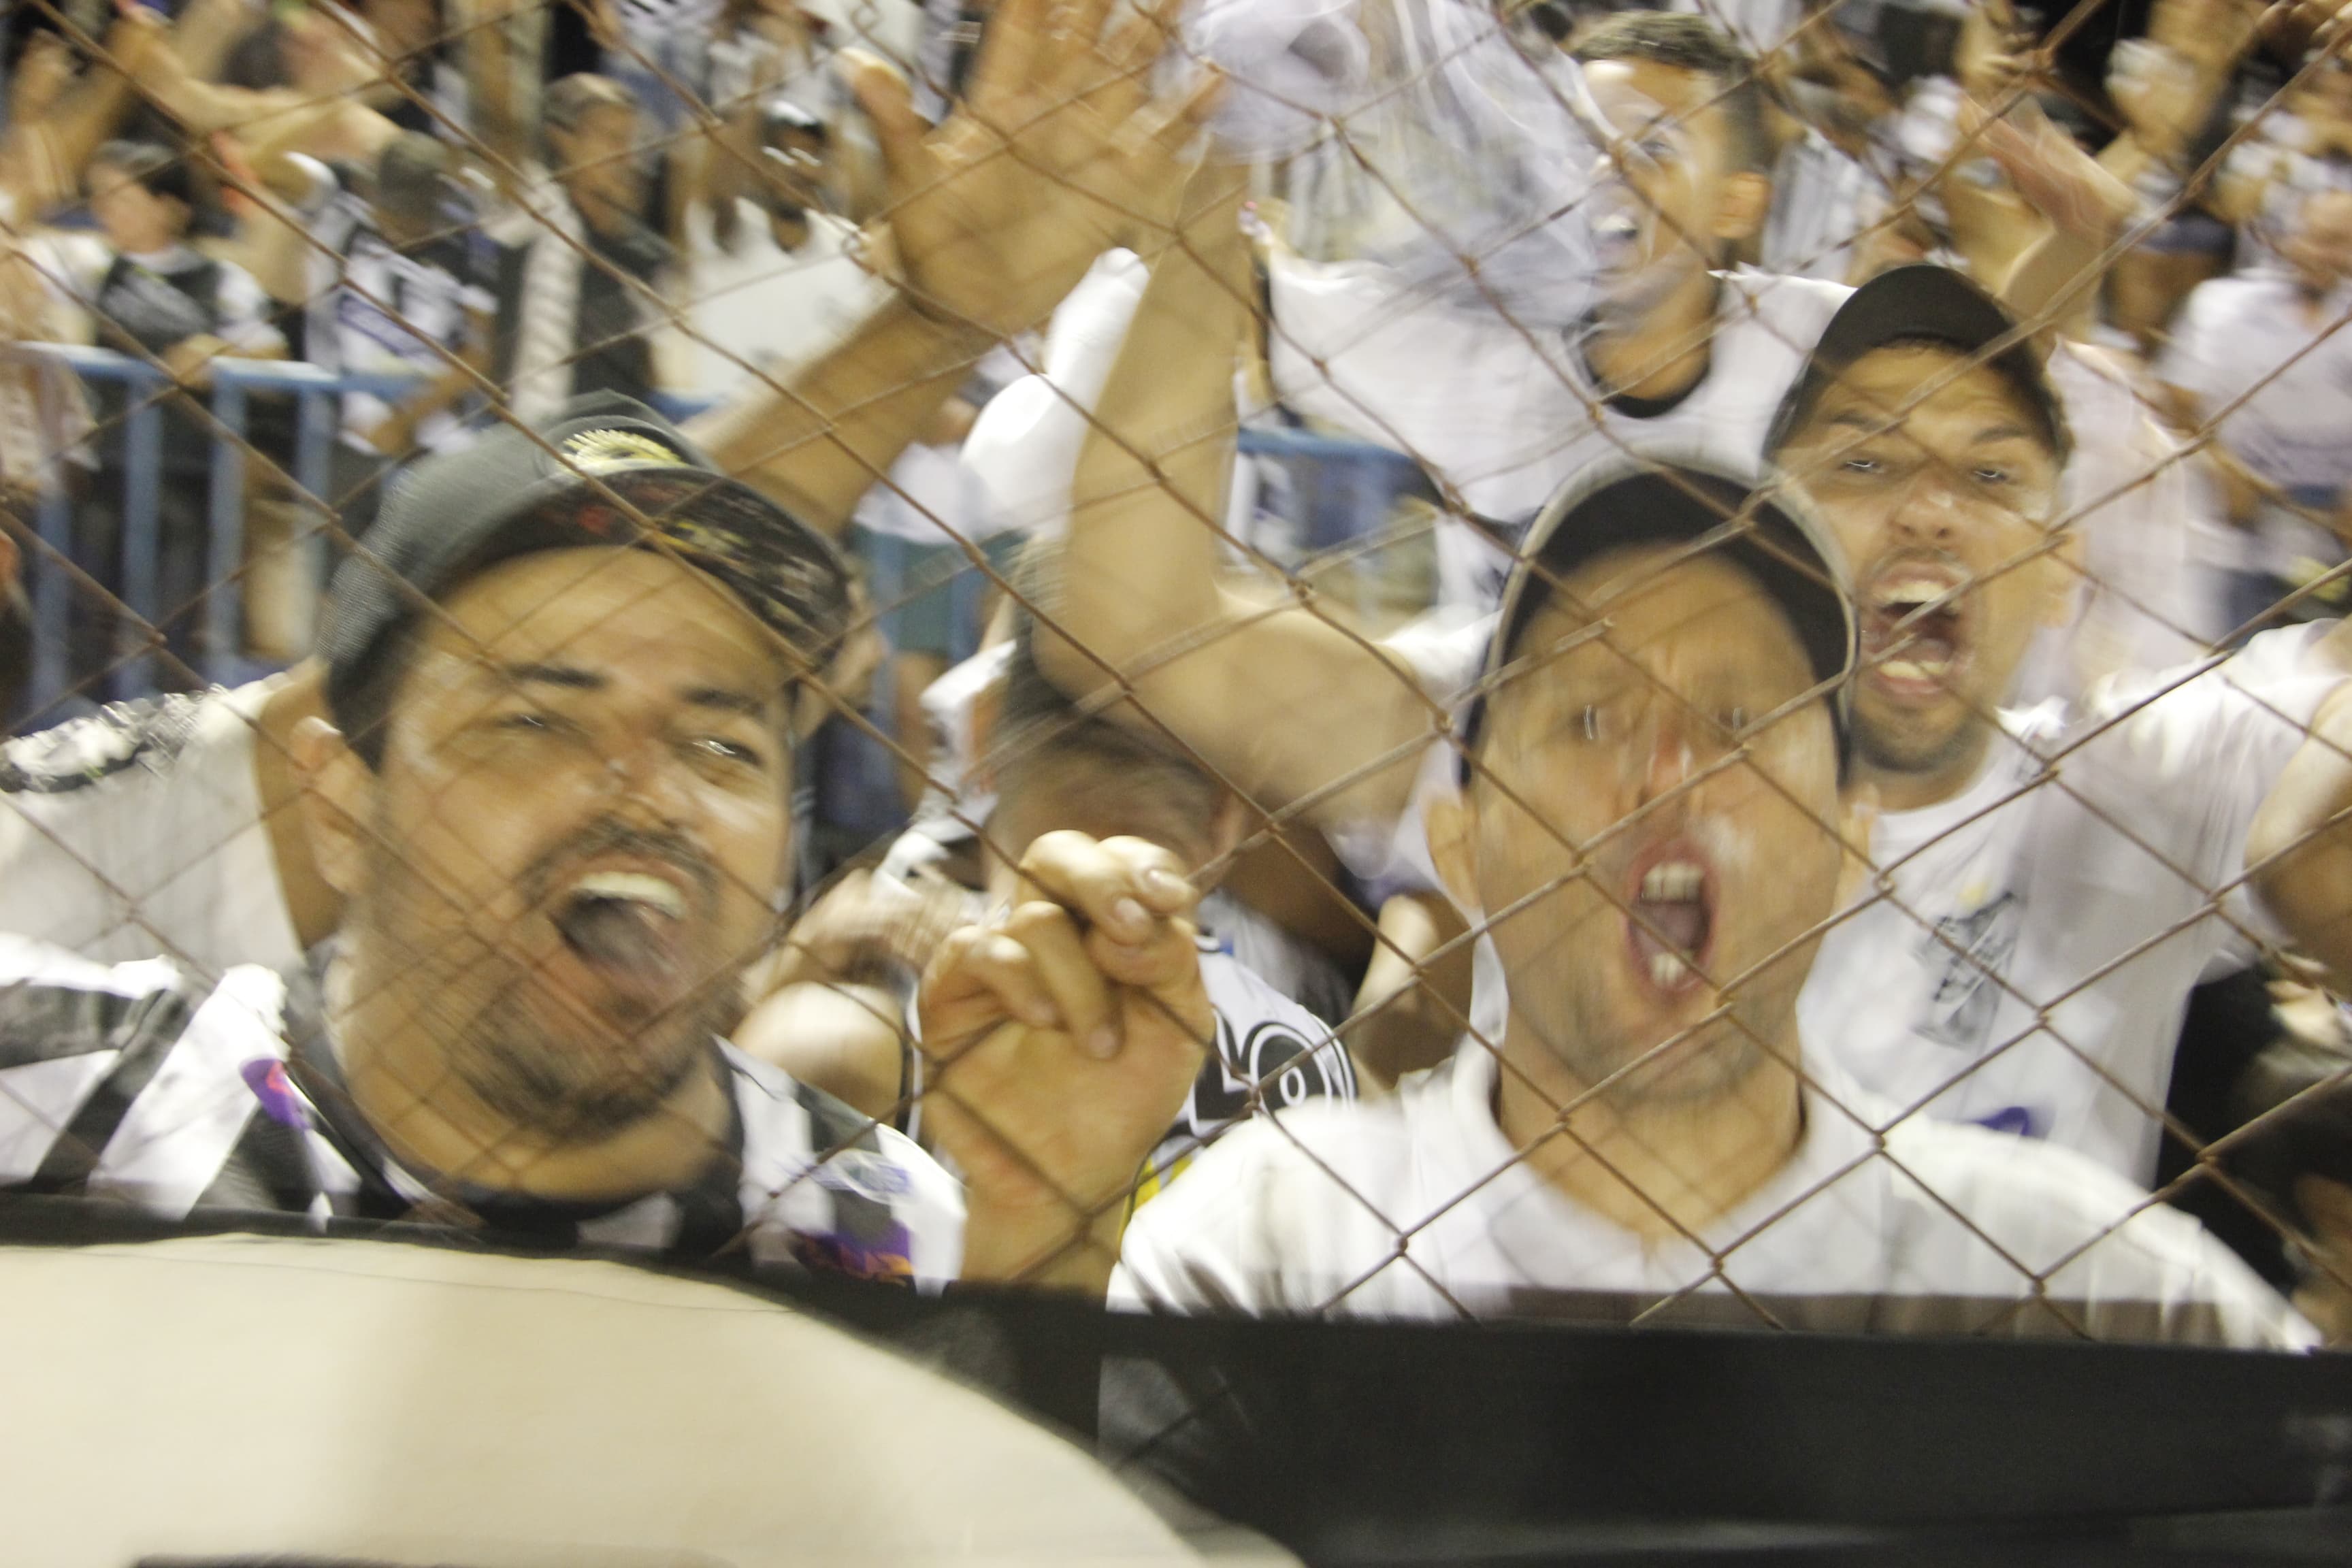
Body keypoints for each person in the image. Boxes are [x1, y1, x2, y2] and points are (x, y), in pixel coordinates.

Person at [0, 393, 1207, 1297]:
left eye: (722, 744)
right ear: (342, 810)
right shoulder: (61, 1108)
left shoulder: (910, 1245)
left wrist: (1047, 1252)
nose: (648, 794)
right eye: (535, 720)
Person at [1111, 458, 2311, 1346]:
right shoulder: (1263, 1248)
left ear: (1850, 848)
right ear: (1462, 851)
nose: (1668, 768)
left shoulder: (2093, 1292)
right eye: (1591, 716)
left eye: (1740, 719)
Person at [1774, 264, 2352, 1186]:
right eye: (1865, 464)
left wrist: (2306, 833)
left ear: (2058, 572)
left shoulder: (2136, 779)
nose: (1927, 510)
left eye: (1990, 475)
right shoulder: (1619, 767)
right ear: (1769, 532)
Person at [739, 627, 1357, 1205]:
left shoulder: (843, 1041)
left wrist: (784, 977)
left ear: (979, 736)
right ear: (1231, 809)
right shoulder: (1313, 1066)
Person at [1262, 12, 1845, 607]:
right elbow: (1246, 309)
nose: (1602, 170)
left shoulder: (1822, 340)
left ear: (1735, 205)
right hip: (1488, 666)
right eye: (1579, 145)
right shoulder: (1477, 339)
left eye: (1653, 147)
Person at [58, 140, 287, 687]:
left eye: (123, 198)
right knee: (90, 614)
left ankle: (159, 712)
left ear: (169, 207)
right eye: (100, 198)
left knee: (170, 616)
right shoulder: (91, 267)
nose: (107, 211)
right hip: (107, 466)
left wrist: (218, 353)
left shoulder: (220, 279)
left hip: (186, 470)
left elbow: (273, 356)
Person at [2158, 189, 2352, 634]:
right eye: (2319, 238)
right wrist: (2218, 464)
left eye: (2343, 243)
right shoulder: (2222, 307)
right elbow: (2174, 405)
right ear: (2288, 238)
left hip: (2337, 512)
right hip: (2239, 512)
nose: (2327, 255)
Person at [489, 74, 674, 424]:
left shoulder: (648, 255)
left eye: (633, 141)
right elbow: (497, 122)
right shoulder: (534, 213)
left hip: (615, 441)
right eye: (611, 138)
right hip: (532, 433)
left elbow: (653, 369)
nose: (627, 156)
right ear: (564, 141)